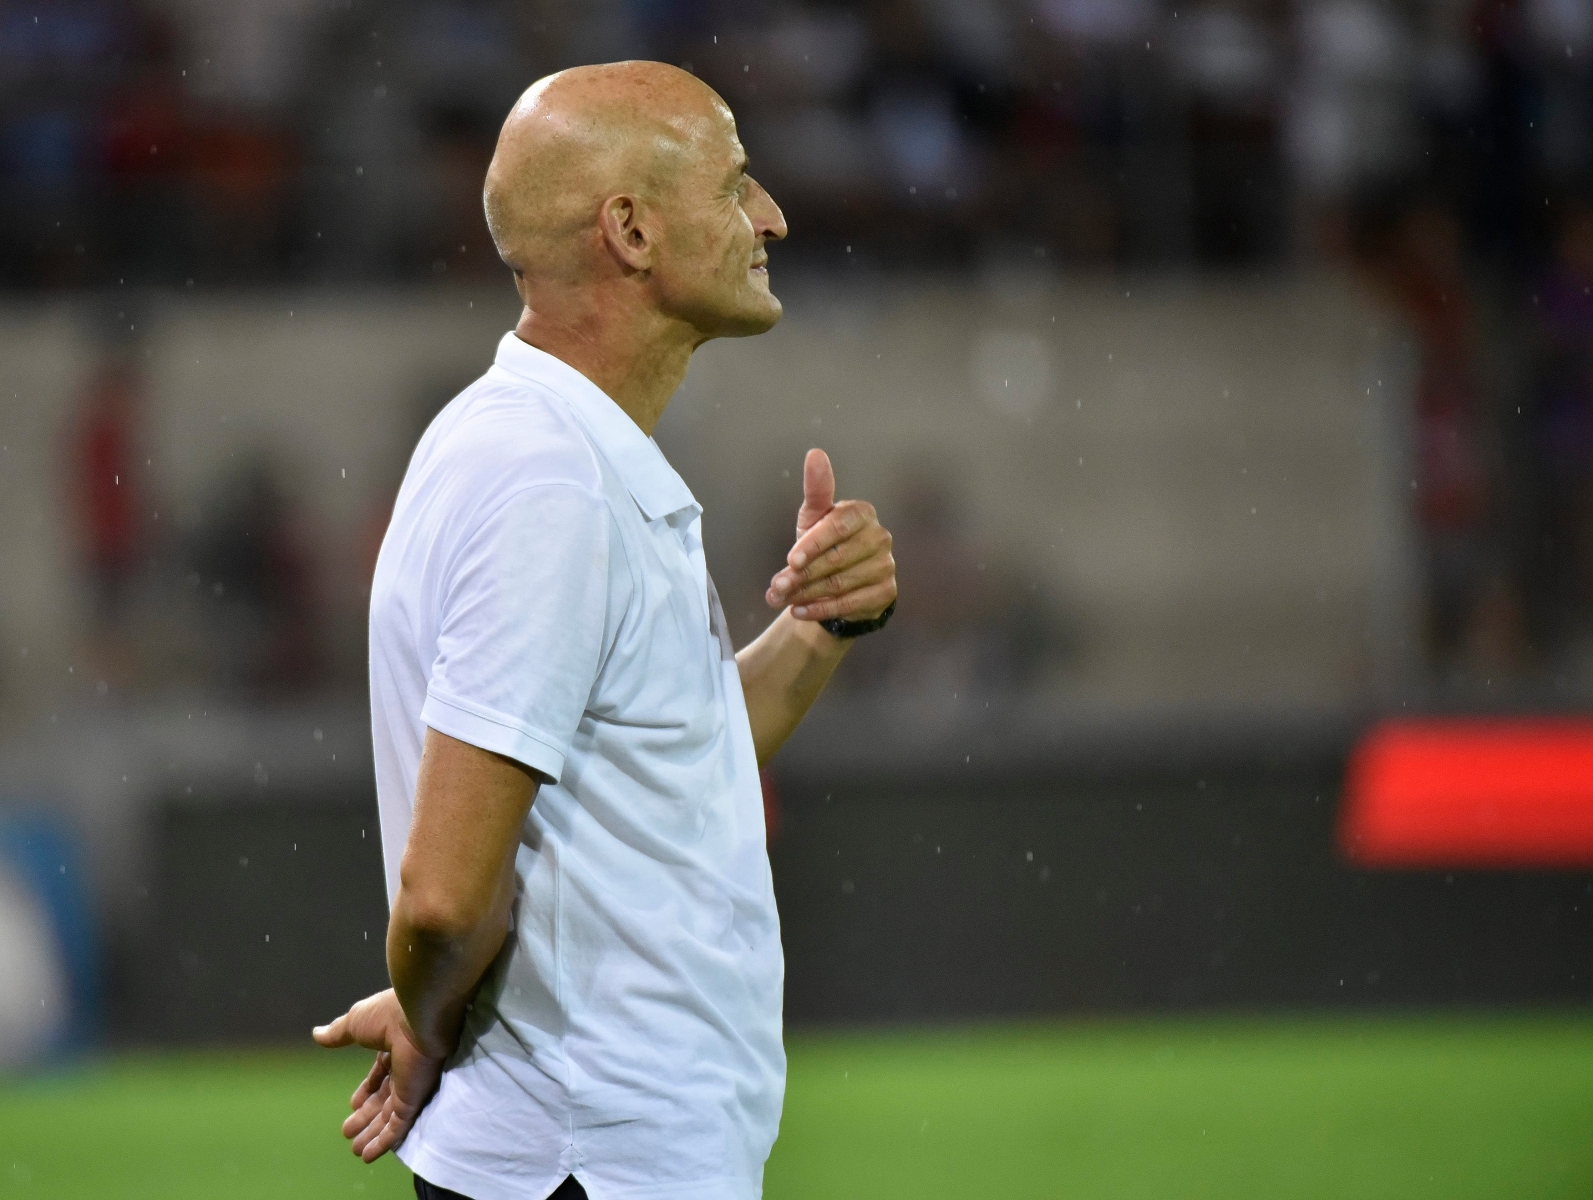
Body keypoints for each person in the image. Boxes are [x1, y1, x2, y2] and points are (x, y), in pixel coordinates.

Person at [312, 61, 898, 1200]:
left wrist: (820, 627)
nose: (771, 215)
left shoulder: (533, 443)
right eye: (736, 186)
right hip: (589, 1167)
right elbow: (441, 901)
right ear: (631, 229)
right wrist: (433, 1021)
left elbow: (657, 763)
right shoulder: (552, 486)